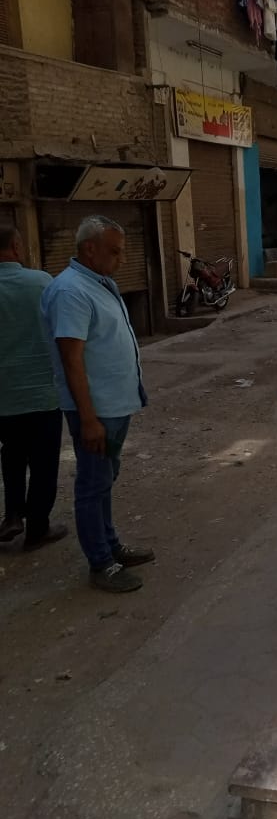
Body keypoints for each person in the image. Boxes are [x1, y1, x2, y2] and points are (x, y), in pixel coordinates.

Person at [41, 215, 153, 593]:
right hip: (96, 411)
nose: (122, 260)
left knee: (104, 480)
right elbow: (71, 360)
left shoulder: (100, 283)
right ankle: (101, 563)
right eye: (115, 252)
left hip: (115, 406)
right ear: (90, 249)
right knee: (92, 485)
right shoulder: (71, 291)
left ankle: (111, 545)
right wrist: (88, 419)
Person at [0, 227, 67, 551]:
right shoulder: (42, 282)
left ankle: (13, 514)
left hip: (4, 398)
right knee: (43, 463)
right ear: (16, 246)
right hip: (43, 393)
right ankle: (37, 528)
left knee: (11, 453)